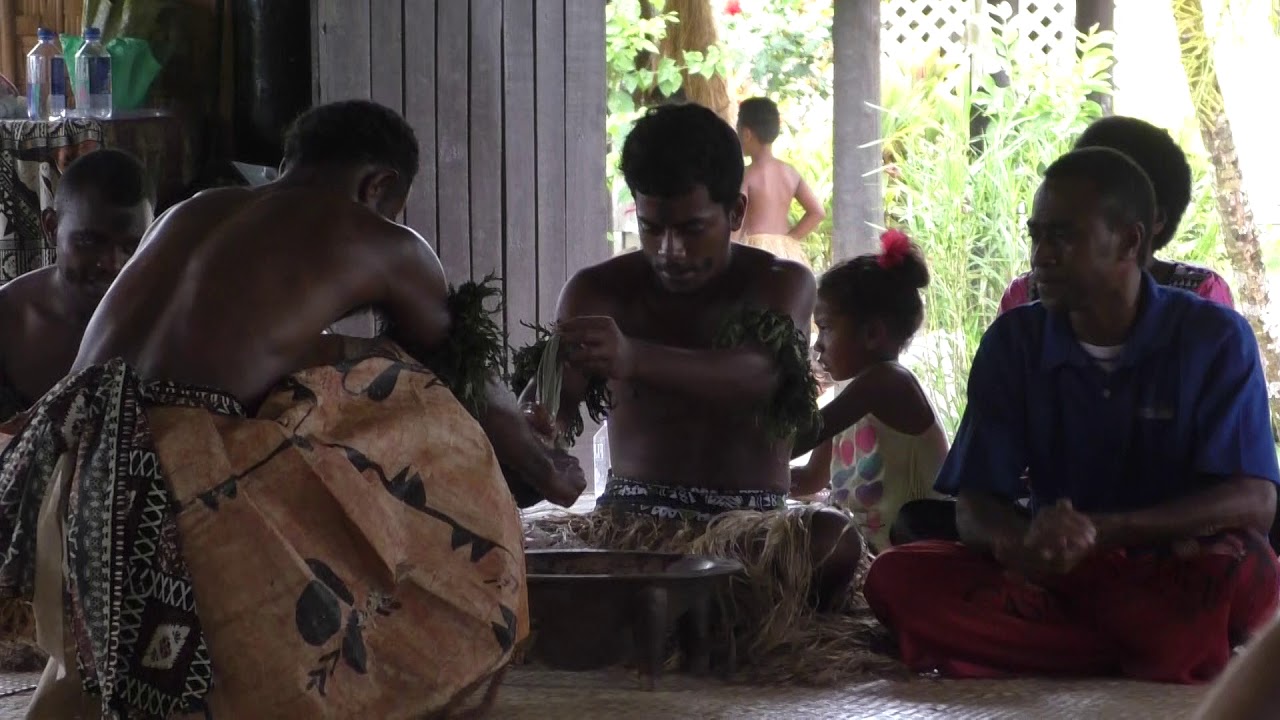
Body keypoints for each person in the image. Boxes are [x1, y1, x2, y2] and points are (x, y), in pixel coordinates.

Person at [0, 100, 585, 719]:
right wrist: (548, 469)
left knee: (350, 370)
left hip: (67, 475)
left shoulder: (190, 212)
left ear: (289, 165)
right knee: (415, 402)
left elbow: (231, 344)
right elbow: (464, 367)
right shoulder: (381, 240)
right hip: (174, 483)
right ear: (378, 186)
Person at [863, 147, 1279, 685]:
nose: (1041, 256)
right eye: (1036, 236)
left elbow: (1258, 501)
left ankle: (1057, 647)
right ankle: (1146, 652)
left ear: (1130, 241)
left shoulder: (1214, 338)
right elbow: (974, 506)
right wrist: (1020, 544)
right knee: (897, 578)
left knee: (1248, 573)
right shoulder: (1014, 342)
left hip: (1172, 565)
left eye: (1063, 237)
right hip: (1059, 573)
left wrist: (1109, 531)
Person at [518, 103, 884, 680]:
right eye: (652, 228)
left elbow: (761, 374)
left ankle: (716, 623)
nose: (669, 251)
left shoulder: (781, 283)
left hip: (754, 529)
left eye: (691, 229)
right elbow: (556, 411)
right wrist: (542, 433)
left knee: (831, 540)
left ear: (735, 211)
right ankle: (682, 623)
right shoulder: (598, 290)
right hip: (634, 533)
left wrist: (636, 358)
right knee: (517, 557)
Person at [789, 230, 949, 553]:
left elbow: (799, 438)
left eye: (827, 328)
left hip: (913, 563)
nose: (817, 345)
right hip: (868, 563)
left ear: (873, 333)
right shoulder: (851, 397)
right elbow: (811, 478)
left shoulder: (889, 383)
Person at [999, 115, 1233, 313]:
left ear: (1153, 221)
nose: (1041, 256)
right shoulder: (1024, 302)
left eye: (1066, 234)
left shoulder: (1202, 306)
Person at [0, 149, 154, 422]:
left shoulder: (162, 320)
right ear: (51, 228)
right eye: (90, 241)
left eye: (132, 246)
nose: (114, 263)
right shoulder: (6, 320)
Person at [734, 97, 825, 269]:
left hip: (755, 252)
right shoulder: (790, 172)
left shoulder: (746, 175)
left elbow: (737, 217)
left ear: (746, 133)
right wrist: (790, 239)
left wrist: (730, 253)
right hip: (786, 255)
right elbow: (817, 212)